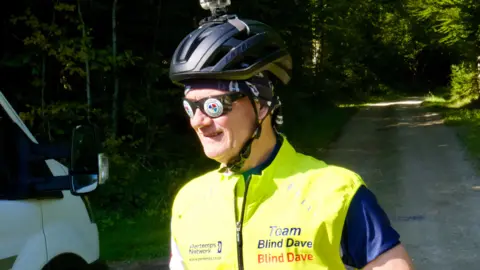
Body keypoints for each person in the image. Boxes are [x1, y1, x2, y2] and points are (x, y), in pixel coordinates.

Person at [167, 12, 415, 270]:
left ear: (261, 106)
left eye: (213, 106)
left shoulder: (334, 192)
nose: (198, 121)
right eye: (190, 107)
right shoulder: (189, 201)